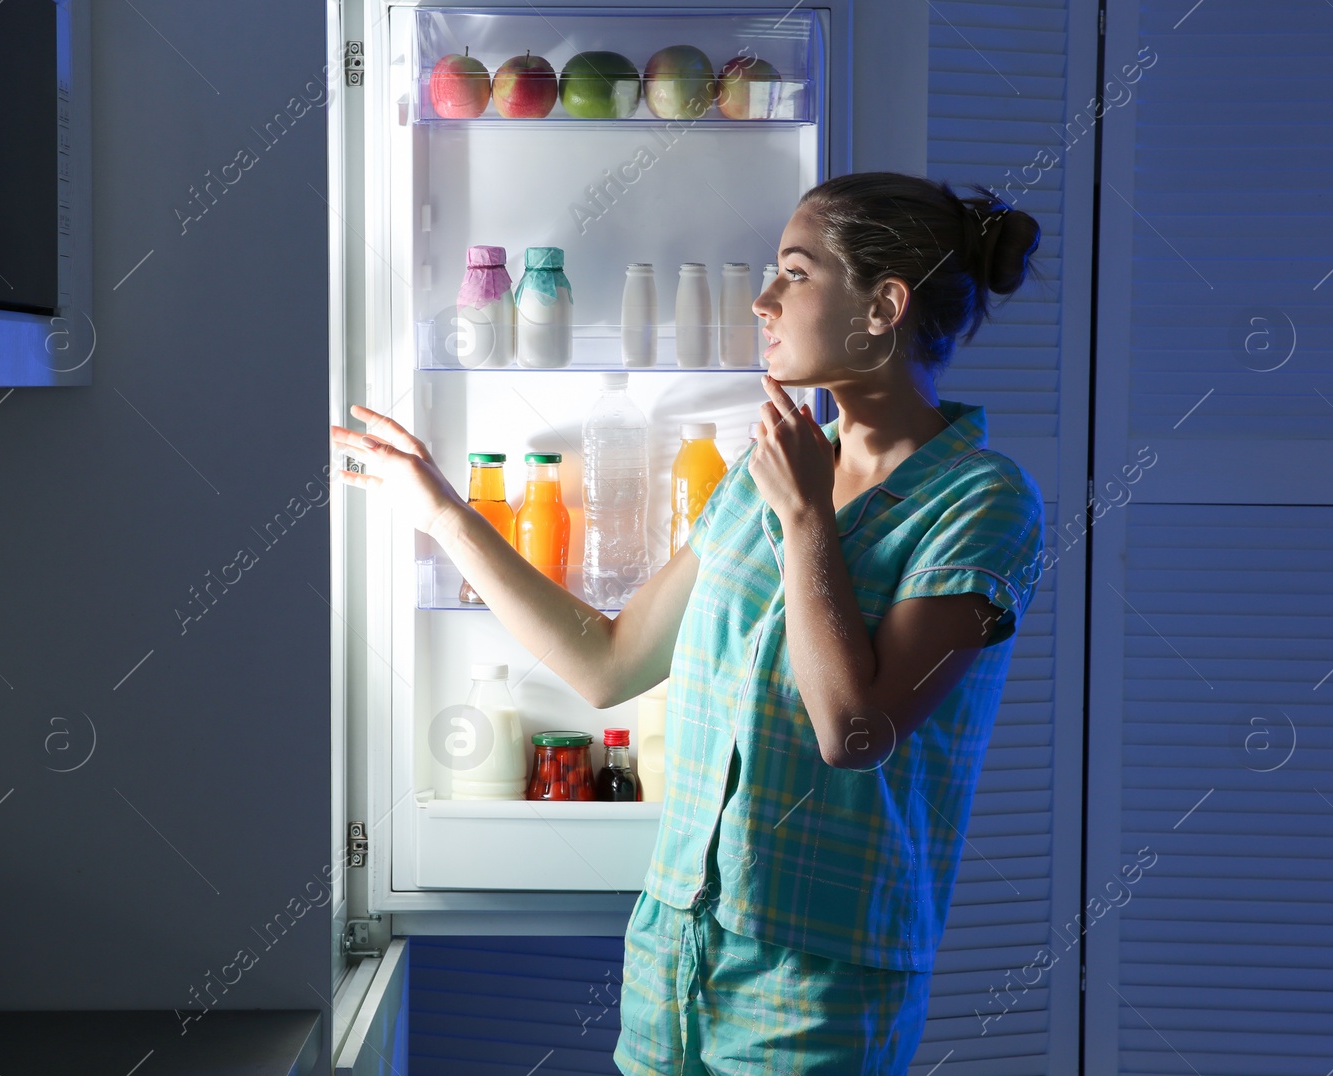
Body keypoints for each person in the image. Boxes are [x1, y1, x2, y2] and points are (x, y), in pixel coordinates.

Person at [330, 171, 1046, 1075]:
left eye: (795, 272)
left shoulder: (982, 500)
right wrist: (443, 513)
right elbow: (609, 661)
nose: (762, 300)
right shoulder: (769, 474)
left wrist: (808, 520)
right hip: (672, 944)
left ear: (883, 306)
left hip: (818, 979)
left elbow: (854, 730)